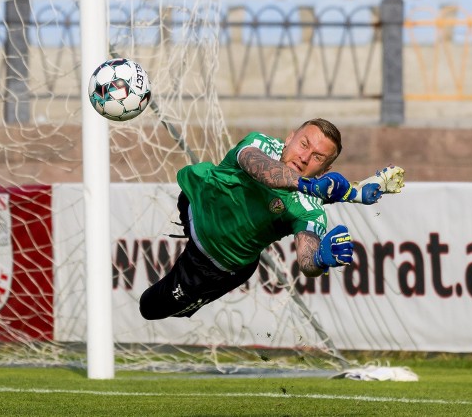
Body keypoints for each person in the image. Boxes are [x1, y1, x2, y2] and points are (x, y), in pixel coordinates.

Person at [139, 118, 403, 320]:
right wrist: (319, 187)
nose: (305, 157)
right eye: (304, 144)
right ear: (289, 138)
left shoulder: (309, 209)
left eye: (317, 158)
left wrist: (321, 259)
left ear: (325, 169)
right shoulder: (260, 144)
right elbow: (262, 170)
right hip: (194, 202)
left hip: (215, 264)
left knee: (149, 307)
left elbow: (306, 261)